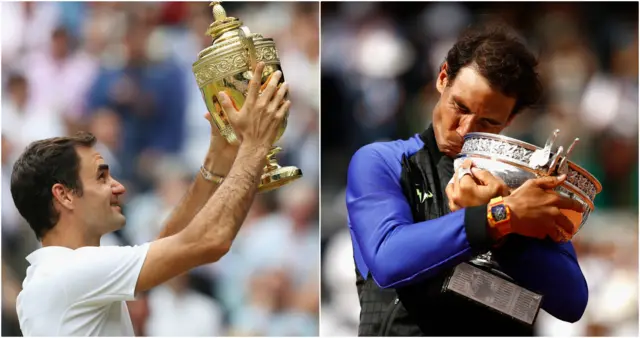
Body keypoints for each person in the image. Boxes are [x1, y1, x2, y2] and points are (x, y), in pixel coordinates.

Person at [12, 62, 291, 336]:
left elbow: (169, 246)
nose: (118, 187)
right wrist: (255, 144)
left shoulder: (66, 272)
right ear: (64, 195)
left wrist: (219, 157)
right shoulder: (67, 273)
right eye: (101, 177)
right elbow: (209, 240)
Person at [345, 25, 588, 336]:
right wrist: (500, 217)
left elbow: (572, 301)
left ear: (510, 120)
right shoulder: (383, 162)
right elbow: (389, 259)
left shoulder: (526, 185)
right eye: (460, 107)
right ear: (443, 77)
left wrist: (506, 235)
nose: (465, 130)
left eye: (488, 122)